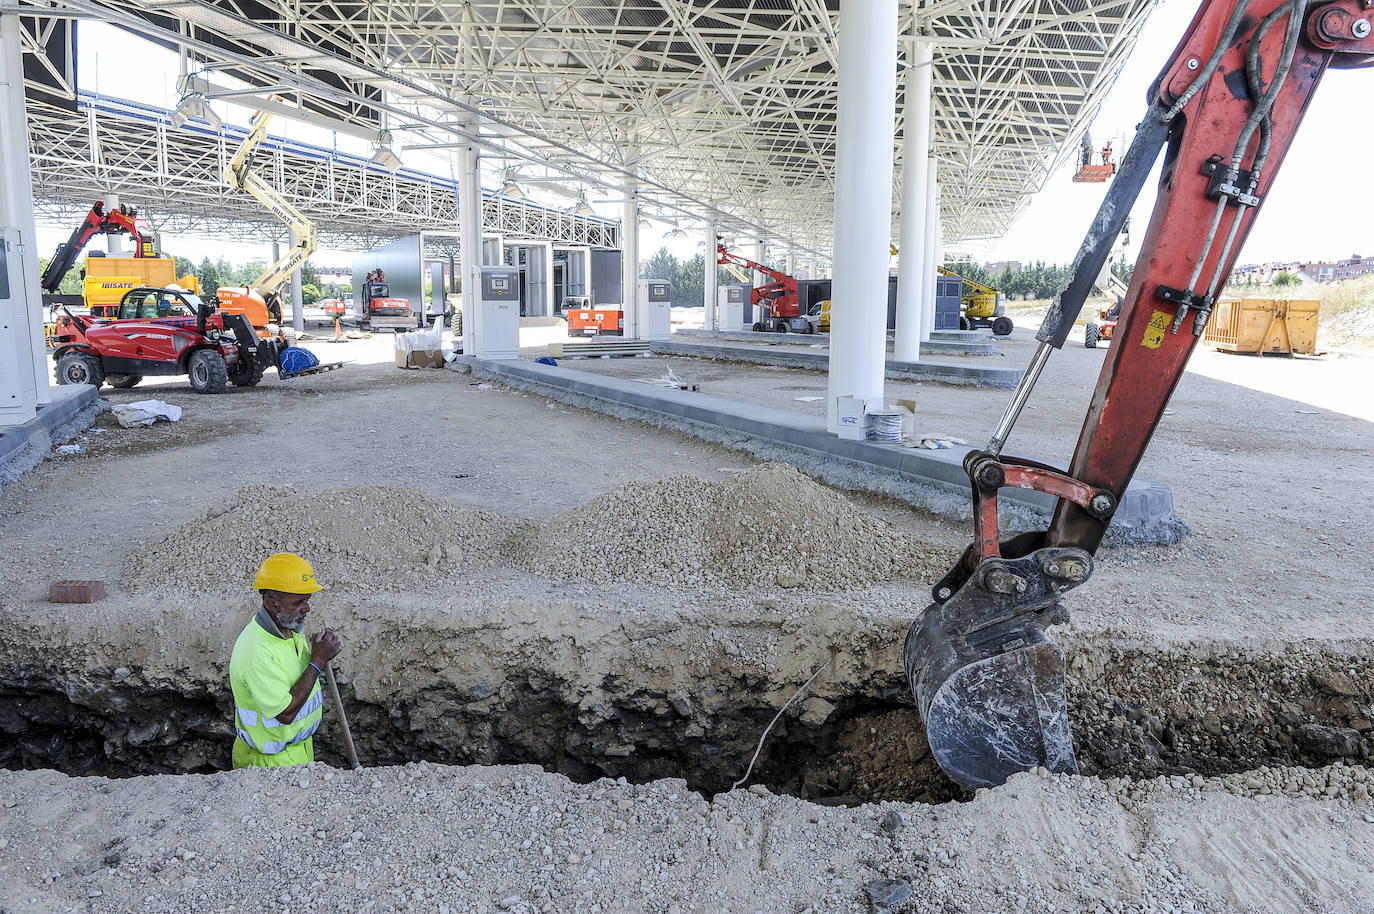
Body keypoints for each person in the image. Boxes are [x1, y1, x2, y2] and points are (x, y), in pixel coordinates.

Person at [228, 553, 342, 768]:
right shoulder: (258, 652)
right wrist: (317, 661)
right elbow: (285, 713)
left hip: (297, 751)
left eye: (307, 600)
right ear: (273, 604)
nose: (307, 608)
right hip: (269, 763)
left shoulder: (289, 628)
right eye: (299, 602)